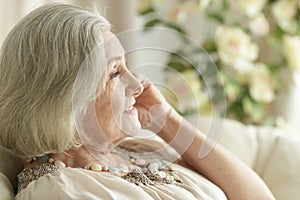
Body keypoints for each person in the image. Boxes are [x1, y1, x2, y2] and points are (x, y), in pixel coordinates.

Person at [0, 3, 275, 200]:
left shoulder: (138, 149)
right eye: (115, 72)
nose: (138, 84)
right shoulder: (62, 190)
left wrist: (166, 119)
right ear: (67, 99)